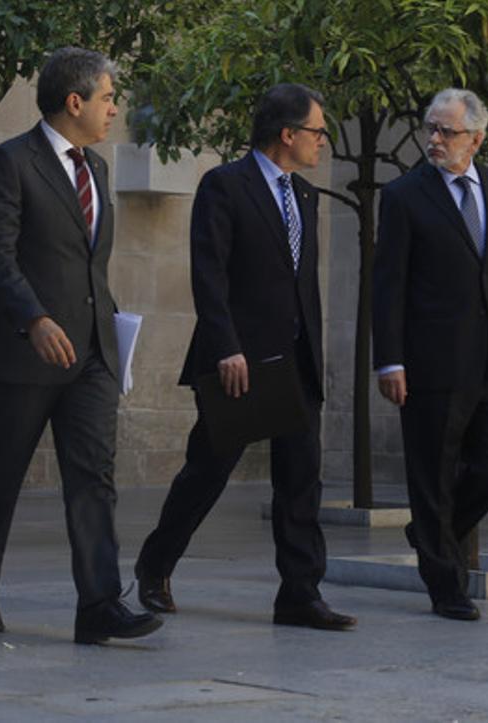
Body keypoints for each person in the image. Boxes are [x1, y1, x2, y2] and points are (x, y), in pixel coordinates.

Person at [134, 83, 356, 631]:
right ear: (287, 134)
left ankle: (300, 595)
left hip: (295, 365)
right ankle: (154, 565)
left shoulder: (305, 196)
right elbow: (208, 274)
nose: (322, 142)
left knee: (301, 479)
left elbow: (302, 287)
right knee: (206, 473)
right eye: (317, 131)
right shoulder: (224, 186)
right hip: (239, 363)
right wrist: (226, 347)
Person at [0, 47, 161, 644]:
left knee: (94, 477)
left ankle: (99, 604)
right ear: (74, 102)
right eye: (106, 98)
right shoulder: (11, 162)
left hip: (93, 355)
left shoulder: (96, 170)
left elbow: (88, 263)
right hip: (25, 352)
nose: (113, 109)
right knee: (3, 472)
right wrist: (35, 318)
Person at [373, 88, 488, 621]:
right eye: (431, 129)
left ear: (477, 139)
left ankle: (429, 532)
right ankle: (446, 587)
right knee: (432, 474)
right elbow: (388, 284)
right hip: (430, 361)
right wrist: (389, 359)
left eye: (447, 131)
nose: (435, 139)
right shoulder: (403, 196)